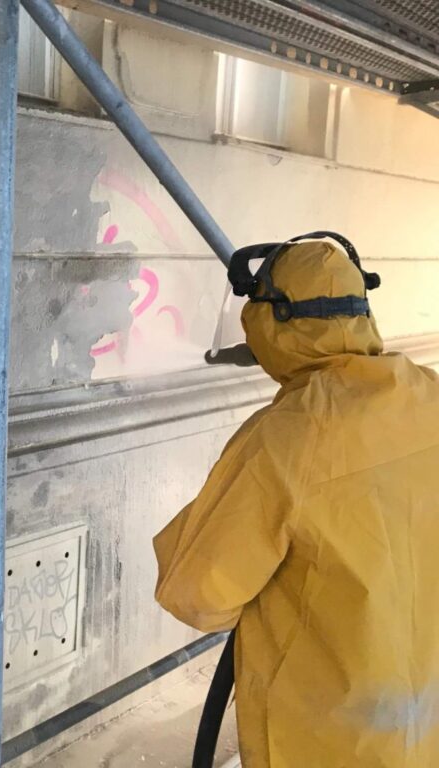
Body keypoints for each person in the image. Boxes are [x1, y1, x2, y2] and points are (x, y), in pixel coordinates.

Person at [153, 234, 439, 767]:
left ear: (271, 322)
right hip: (422, 716)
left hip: (328, 736)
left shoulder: (288, 436)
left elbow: (198, 596)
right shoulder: (428, 391)